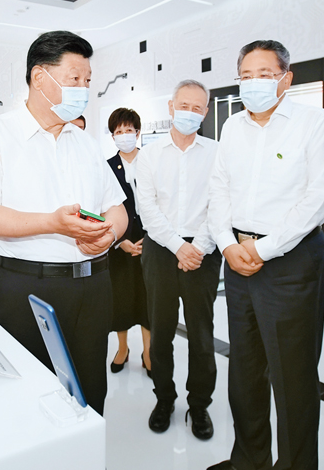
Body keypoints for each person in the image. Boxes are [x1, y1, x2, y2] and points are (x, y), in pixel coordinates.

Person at [0, 30, 128, 415]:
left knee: (88, 396)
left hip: (93, 287)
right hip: (24, 288)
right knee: (24, 399)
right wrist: (52, 223)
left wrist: (109, 235)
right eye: (74, 79)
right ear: (39, 77)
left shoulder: (85, 143)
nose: (83, 89)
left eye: (87, 81)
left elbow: (117, 208)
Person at [207, 40, 324, 470]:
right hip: (237, 257)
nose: (253, 83)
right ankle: (249, 459)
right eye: (245, 75)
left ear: (286, 78)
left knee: (292, 375)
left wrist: (262, 248)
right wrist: (227, 243)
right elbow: (219, 188)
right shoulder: (232, 126)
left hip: (291, 259)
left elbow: (320, 196)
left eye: (264, 74)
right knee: (244, 368)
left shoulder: (313, 122)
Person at [136, 79, 222, 440]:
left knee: (202, 334)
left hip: (203, 250)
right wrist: (177, 246)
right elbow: (147, 208)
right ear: (171, 107)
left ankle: (199, 405)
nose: (189, 112)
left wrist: (197, 246)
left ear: (205, 112)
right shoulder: (150, 155)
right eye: (183, 105)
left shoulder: (217, 152)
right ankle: (164, 399)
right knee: (161, 332)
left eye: (197, 107)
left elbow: (220, 204)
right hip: (161, 249)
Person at [105, 108, 151, 377]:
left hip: (151, 238)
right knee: (120, 298)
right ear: (113, 136)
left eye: (128, 130)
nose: (124, 135)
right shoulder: (107, 167)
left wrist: (152, 238)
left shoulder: (152, 161)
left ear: (138, 132)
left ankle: (149, 351)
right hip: (119, 241)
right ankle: (122, 349)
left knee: (148, 298)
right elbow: (102, 207)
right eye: (118, 132)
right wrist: (119, 240)